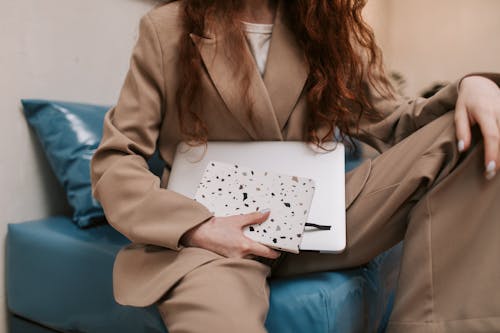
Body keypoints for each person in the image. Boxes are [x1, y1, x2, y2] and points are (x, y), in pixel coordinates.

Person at [90, 0, 500, 332]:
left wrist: (472, 85)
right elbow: (116, 159)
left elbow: (397, 122)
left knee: (472, 129)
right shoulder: (166, 28)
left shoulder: (329, 29)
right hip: (214, 231)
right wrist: (196, 227)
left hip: (317, 218)